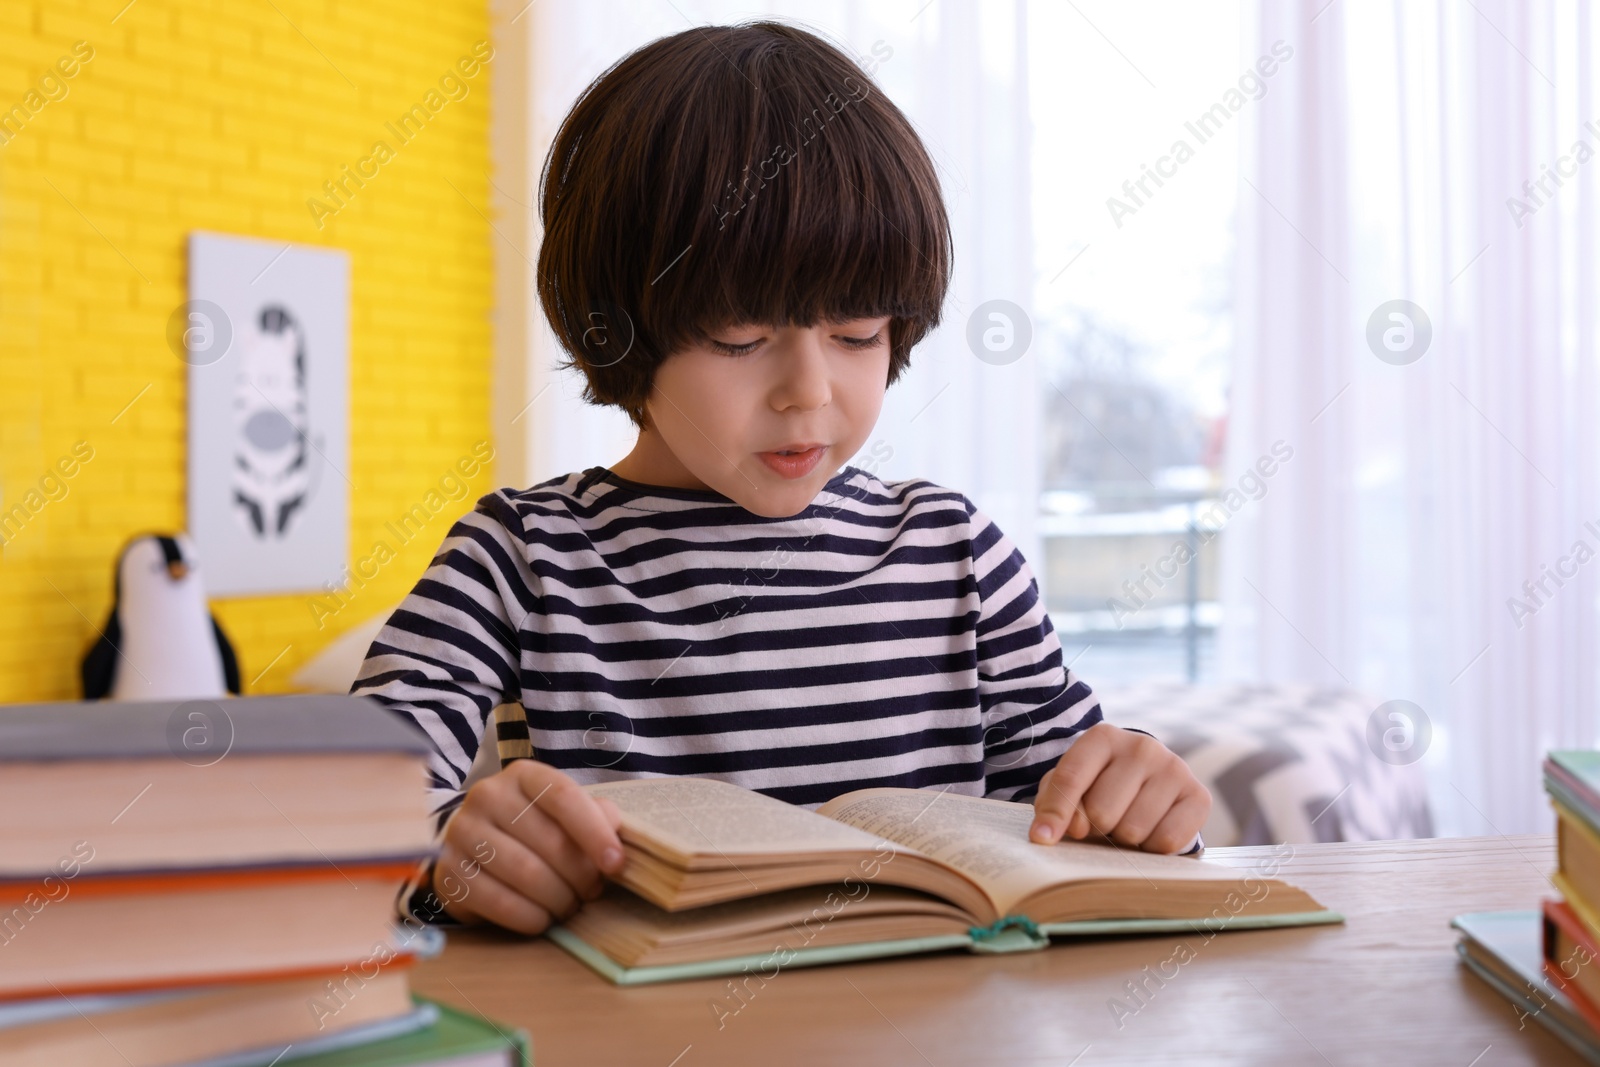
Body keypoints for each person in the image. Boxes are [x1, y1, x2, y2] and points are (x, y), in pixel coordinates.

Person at [350, 20, 1211, 936]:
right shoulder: (520, 556)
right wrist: (445, 849)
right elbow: (336, 809)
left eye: (857, 334)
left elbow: (1076, 830)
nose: (809, 392)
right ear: (617, 324)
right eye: (740, 337)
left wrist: (1139, 800)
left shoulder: (956, 558)